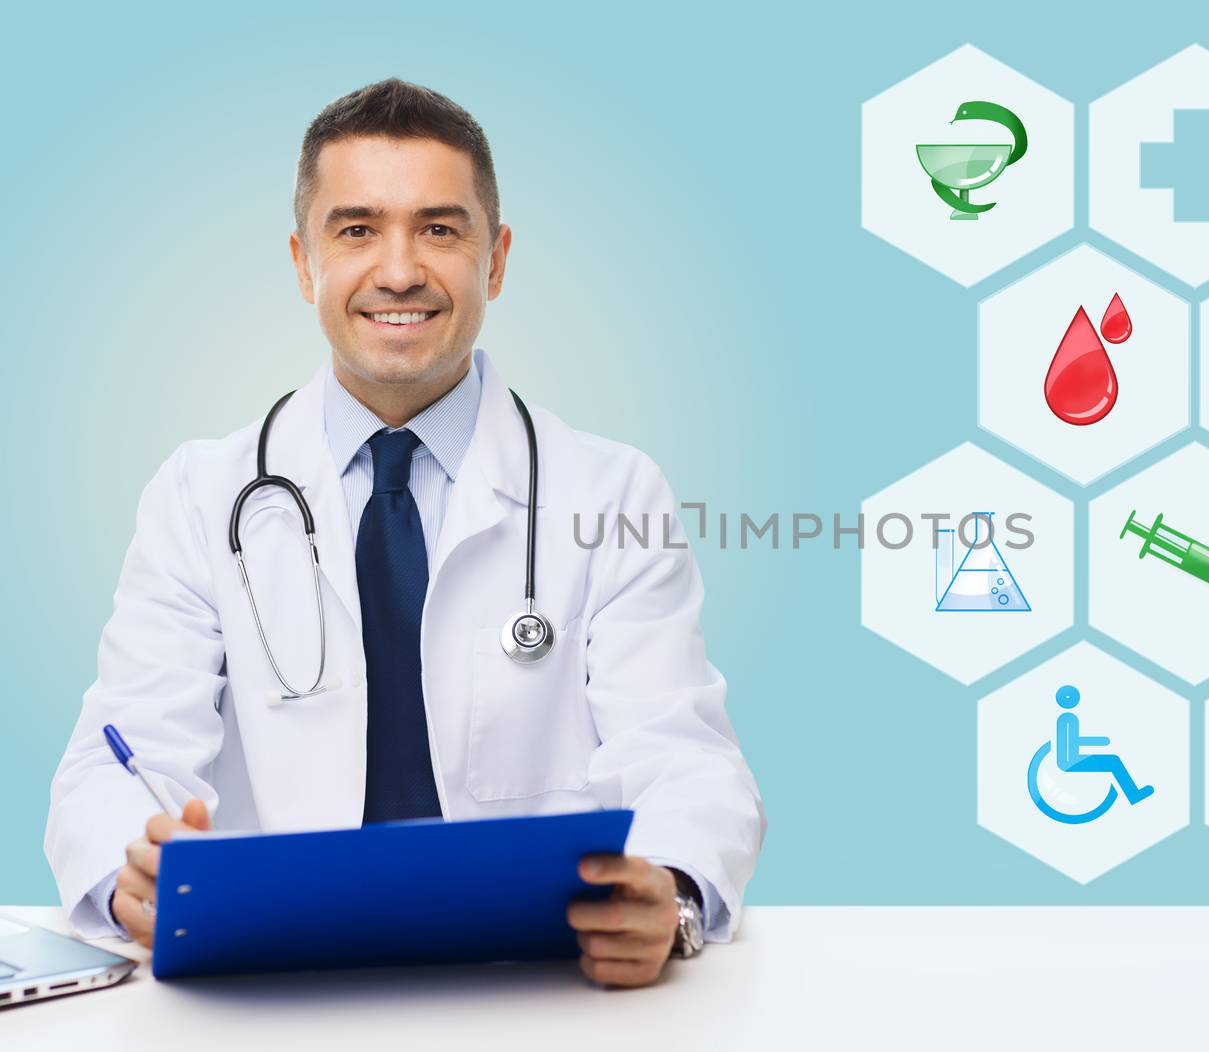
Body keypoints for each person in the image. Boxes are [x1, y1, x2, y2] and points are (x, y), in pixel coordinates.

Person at [43, 78, 764, 988]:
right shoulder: (198, 495)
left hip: (536, 981)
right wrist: (127, 877)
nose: (398, 270)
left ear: (495, 261)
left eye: (440, 228)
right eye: (356, 230)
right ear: (303, 263)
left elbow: (685, 758)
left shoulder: (611, 490)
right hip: (275, 984)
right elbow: (119, 753)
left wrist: (671, 892)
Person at [1053, 686, 1152, 804]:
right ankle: (1133, 795)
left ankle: (1133, 794)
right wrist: (1100, 741)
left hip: (1072, 758)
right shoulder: (1068, 719)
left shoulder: (1066, 718)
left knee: (1113, 760)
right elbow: (1073, 742)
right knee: (1113, 762)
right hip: (1071, 762)